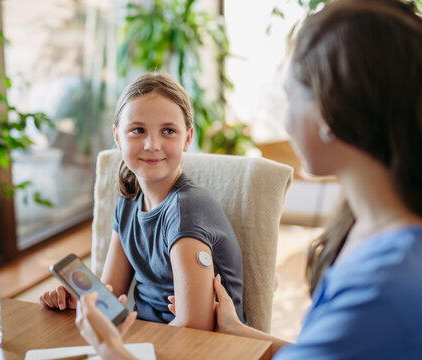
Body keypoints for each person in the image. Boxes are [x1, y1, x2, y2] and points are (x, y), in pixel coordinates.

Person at [73, 0, 422, 358]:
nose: (285, 121)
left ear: (334, 109)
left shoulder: (385, 282)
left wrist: (112, 351)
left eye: (292, 96)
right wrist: (237, 331)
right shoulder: (368, 232)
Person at [40, 72, 245, 330]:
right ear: (117, 137)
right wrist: (84, 300)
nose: (152, 144)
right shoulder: (128, 202)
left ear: (188, 138)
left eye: (168, 131)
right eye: (138, 130)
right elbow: (112, 297)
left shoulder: (187, 211)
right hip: (149, 339)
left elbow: (195, 328)